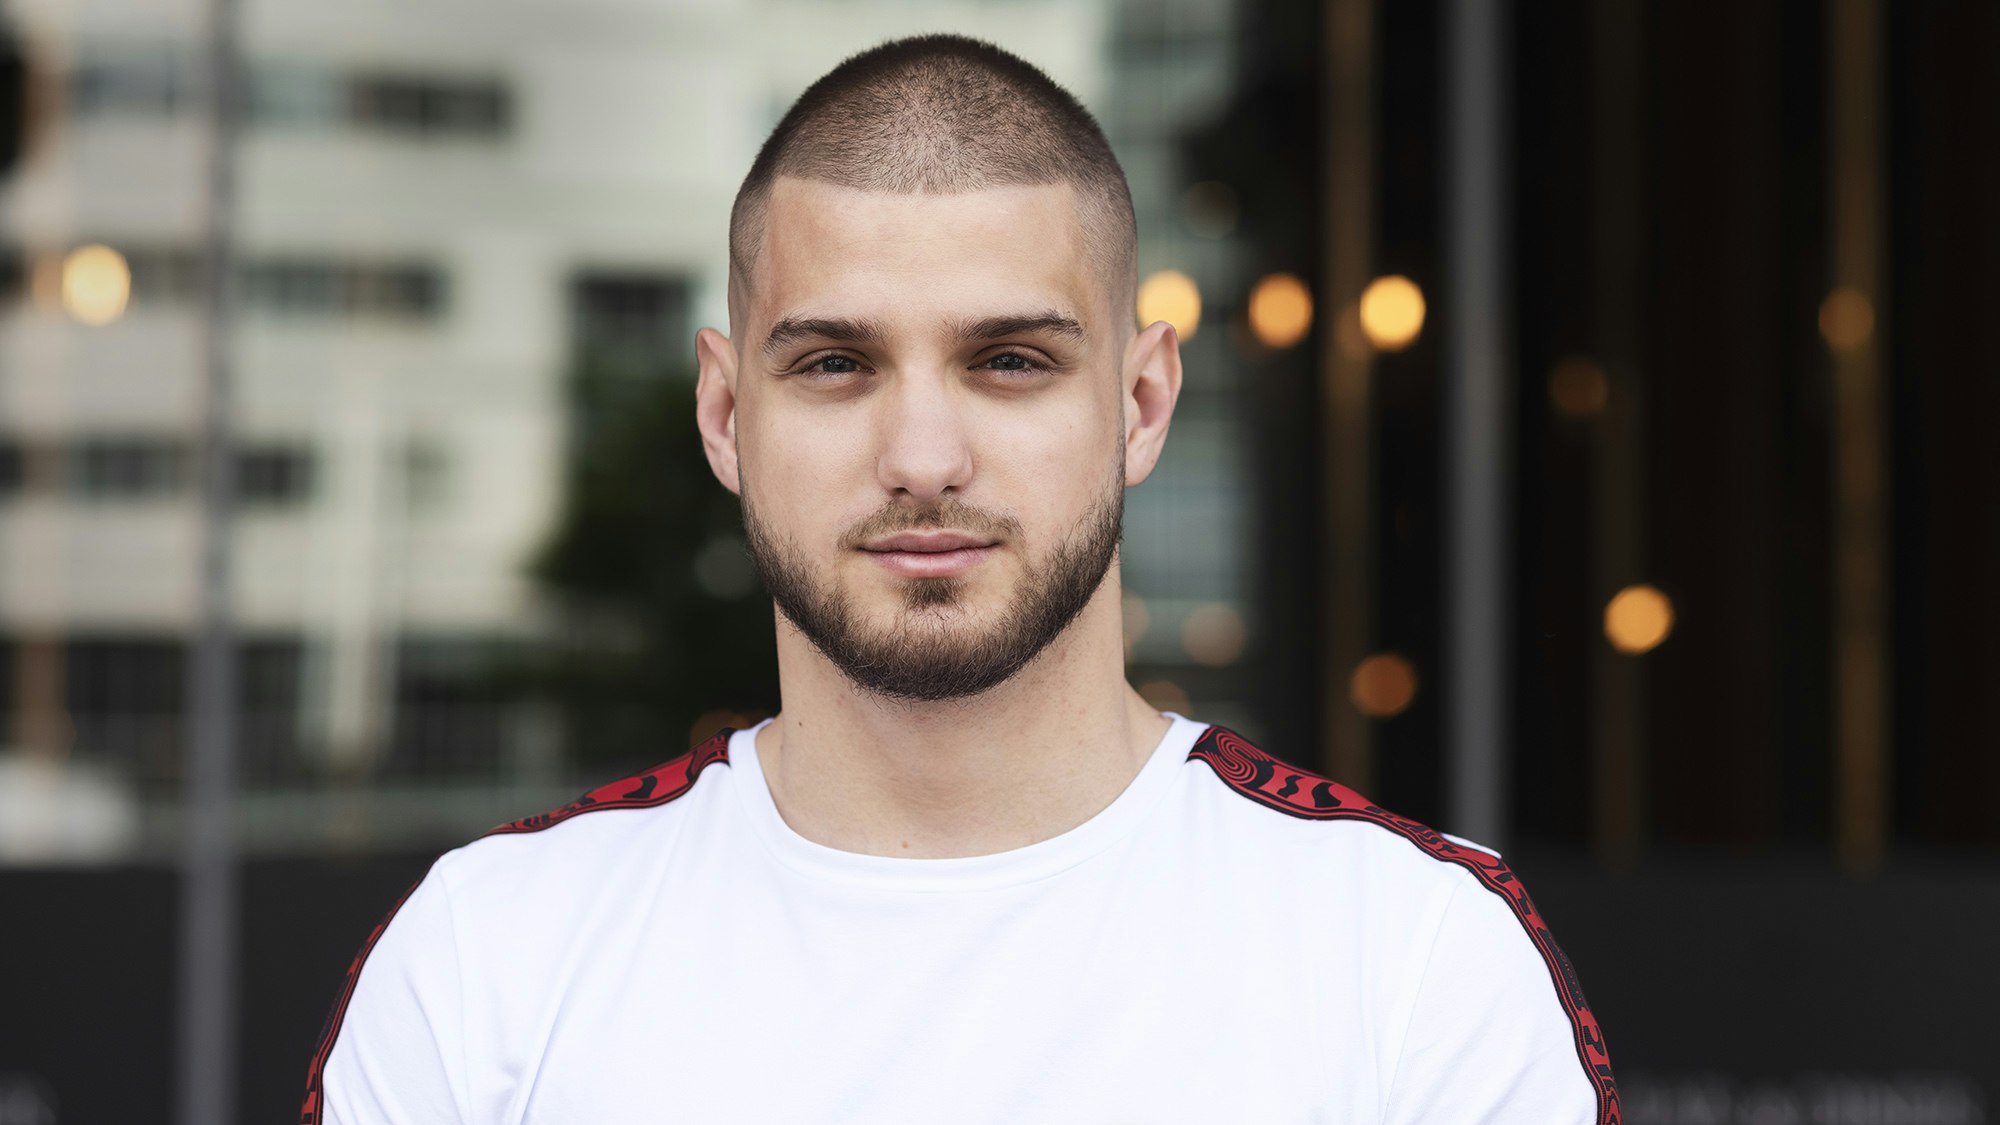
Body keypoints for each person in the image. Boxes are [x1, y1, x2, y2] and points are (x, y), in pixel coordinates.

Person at [301, 34, 1618, 1125]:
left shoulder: (1410, 963)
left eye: (1009, 361)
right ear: (722, 411)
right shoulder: (490, 964)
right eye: (834, 365)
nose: (923, 458)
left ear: (1144, 399)